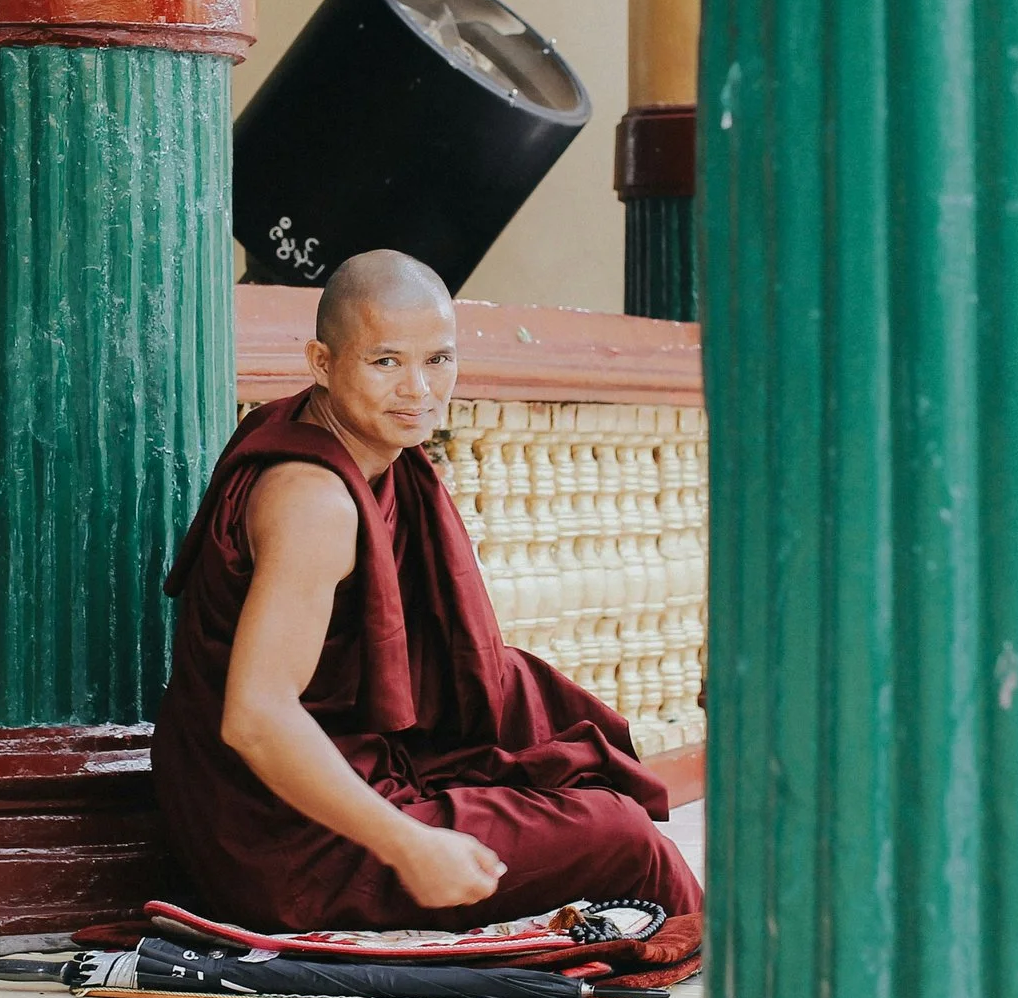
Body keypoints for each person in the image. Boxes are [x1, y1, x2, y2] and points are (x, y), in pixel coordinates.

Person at [153, 249, 701, 931]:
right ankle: (746, 970)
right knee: (622, 836)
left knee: (562, 740)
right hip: (282, 842)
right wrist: (408, 843)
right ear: (321, 361)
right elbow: (256, 717)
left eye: (437, 359)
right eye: (385, 361)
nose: (417, 388)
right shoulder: (314, 501)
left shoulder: (356, 448)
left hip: (336, 777)